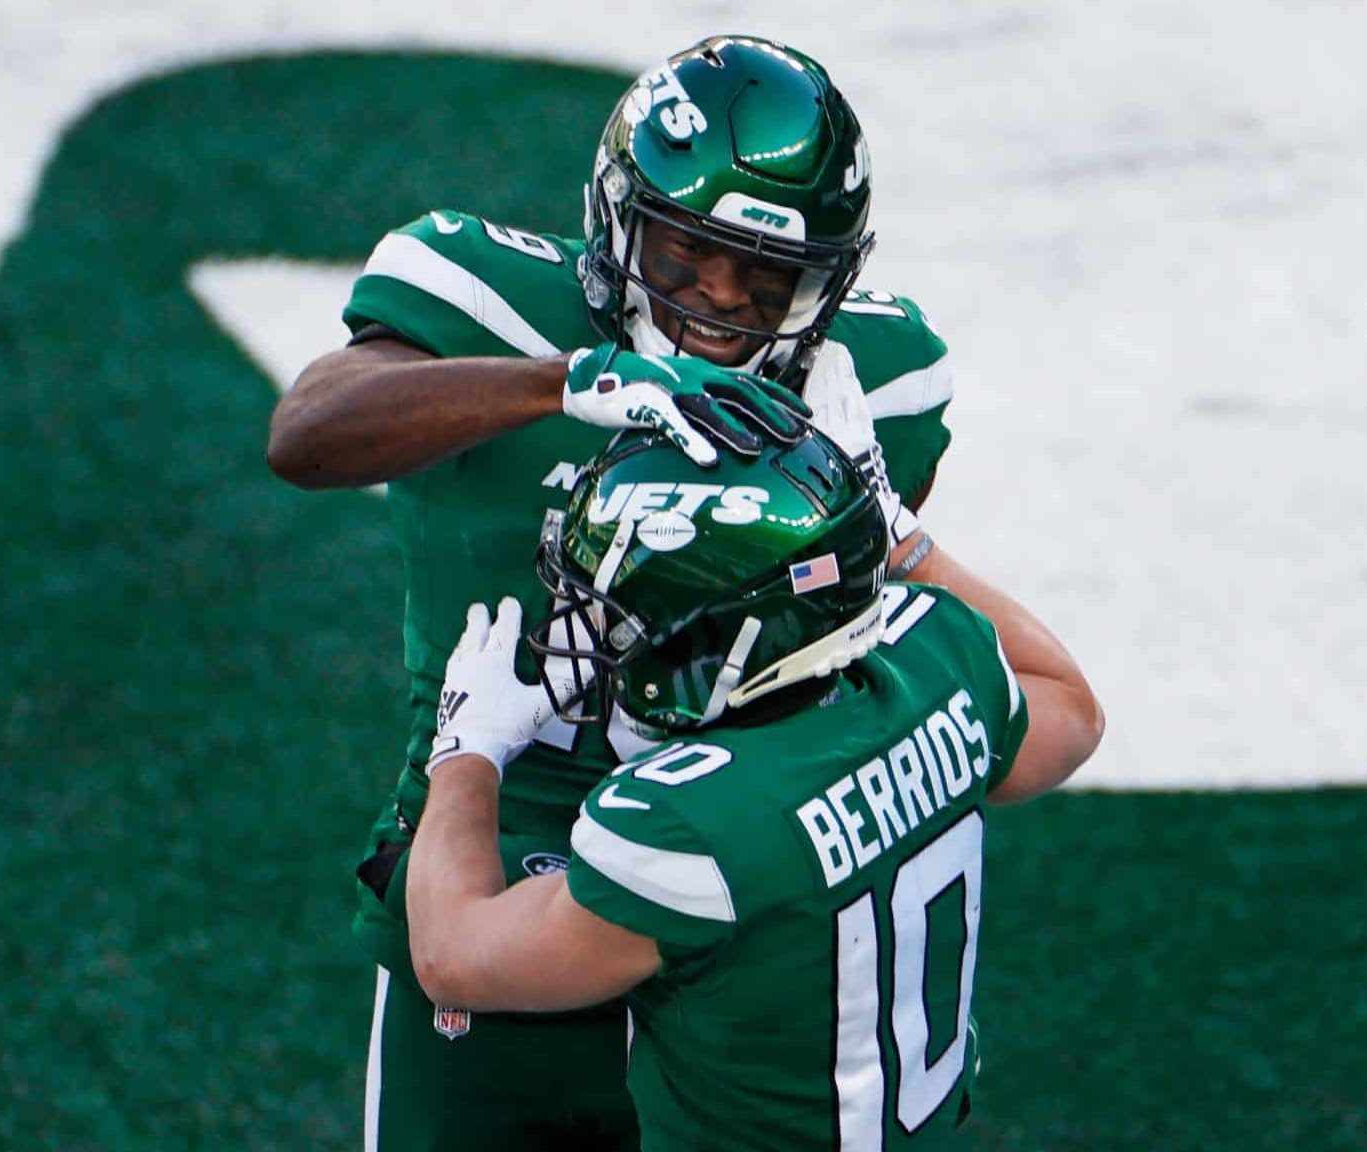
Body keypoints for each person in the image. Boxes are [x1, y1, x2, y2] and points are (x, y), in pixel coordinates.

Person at [267, 34, 958, 1151]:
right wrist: (561, 384)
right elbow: (306, 437)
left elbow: (848, 626)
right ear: (618, 221)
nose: (717, 306)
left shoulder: (873, 380)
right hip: (493, 868)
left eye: (762, 277)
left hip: (732, 917)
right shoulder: (486, 298)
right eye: (687, 257)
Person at [406, 427, 1104, 1151]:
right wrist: (895, 534)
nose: (605, 631)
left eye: (632, 611)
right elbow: (1072, 711)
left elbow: (452, 958)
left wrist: (466, 750)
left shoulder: (688, 823)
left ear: (724, 640)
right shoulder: (941, 660)